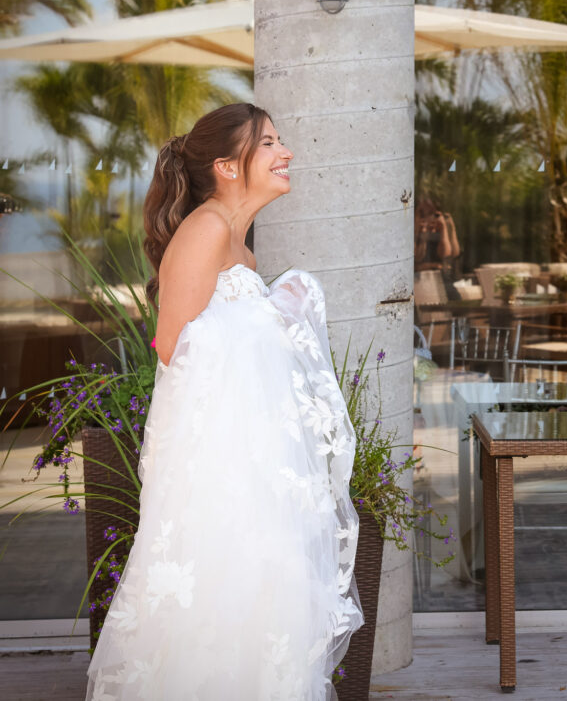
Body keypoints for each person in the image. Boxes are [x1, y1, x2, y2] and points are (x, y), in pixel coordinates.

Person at [86, 104, 363, 700]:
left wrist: (278, 311)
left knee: (262, 607)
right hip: (218, 467)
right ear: (227, 166)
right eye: (269, 143)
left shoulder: (239, 246)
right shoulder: (207, 229)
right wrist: (267, 317)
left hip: (253, 462)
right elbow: (173, 350)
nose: (286, 152)